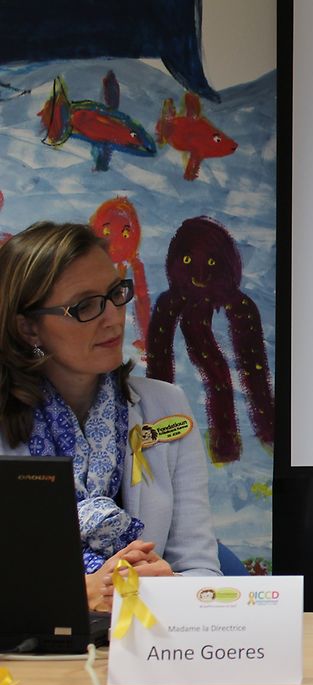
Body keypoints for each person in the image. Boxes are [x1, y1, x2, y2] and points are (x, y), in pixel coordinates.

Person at [0, 222, 219, 612]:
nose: (114, 318)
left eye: (115, 294)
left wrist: (164, 586)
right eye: (84, 306)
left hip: (145, 652)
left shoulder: (167, 405)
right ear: (29, 327)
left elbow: (201, 571)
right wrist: (75, 594)